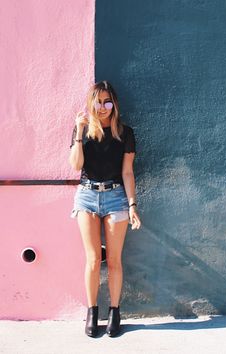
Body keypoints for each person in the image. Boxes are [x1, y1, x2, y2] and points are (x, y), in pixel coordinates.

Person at [69, 80, 141, 337]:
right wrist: (79, 131)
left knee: (113, 260)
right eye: (98, 102)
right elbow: (76, 166)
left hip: (116, 197)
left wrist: (132, 205)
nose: (102, 107)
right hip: (87, 196)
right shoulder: (84, 131)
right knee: (92, 259)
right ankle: (91, 312)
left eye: (107, 102)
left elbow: (128, 173)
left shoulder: (125, 133)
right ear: (91, 103)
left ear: (114, 104)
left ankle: (114, 311)